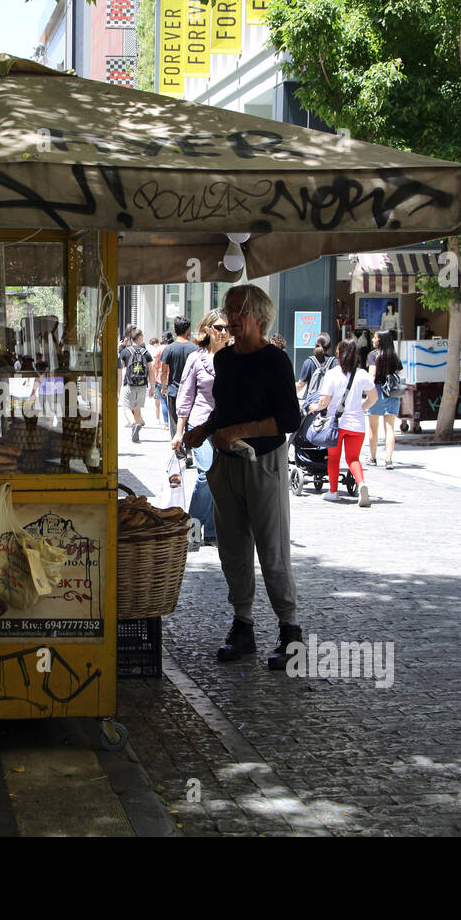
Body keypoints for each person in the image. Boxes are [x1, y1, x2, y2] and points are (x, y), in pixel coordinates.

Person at [183, 284, 303, 667]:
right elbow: (225, 409)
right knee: (233, 551)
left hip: (262, 462)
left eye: (240, 311)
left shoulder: (275, 361)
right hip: (225, 464)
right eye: (229, 310)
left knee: (273, 549)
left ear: (260, 317)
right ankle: (243, 627)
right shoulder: (226, 359)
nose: (231, 317)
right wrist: (203, 430)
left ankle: (290, 633)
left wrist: (239, 431)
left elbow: (288, 420)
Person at [170, 309, 230, 546]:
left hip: (226, 426)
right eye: (218, 327)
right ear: (207, 330)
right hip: (200, 422)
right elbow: (185, 396)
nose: (223, 332)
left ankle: (214, 531)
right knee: (207, 473)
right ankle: (192, 527)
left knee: (222, 478)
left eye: (226, 328)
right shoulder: (196, 358)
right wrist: (179, 431)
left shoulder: (234, 357)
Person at [310, 338, 378, 506]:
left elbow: (324, 401)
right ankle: (361, 483)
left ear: (339, 353)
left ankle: (333, 491)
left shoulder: (332, 374)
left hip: (336, 425)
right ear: (355, 355)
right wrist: (361, 408)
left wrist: (314, 407)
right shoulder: (362, 374)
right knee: (353, 458)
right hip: (357, 425)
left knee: (333, 458)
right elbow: (373, 398)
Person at [366, 330, 404, 468]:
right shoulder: (394, 356)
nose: (373, 340)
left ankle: (373, 457)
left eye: (375, 337)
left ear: (380, 340)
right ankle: (389, 460)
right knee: (390, 428)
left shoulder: (373, 355)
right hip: (392, 392)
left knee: (373, 428)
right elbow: (399, 372)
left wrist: (366, 392)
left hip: (376, 391)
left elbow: (372, 375)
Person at [159, 316, 196, 456]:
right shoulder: (195, 348)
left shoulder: (169, 349)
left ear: (174, 330)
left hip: (174, 390)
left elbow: (164, 371)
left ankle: (179, 452)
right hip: (191, 392)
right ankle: (190, 449)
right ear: (188, 330)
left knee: (175, 421)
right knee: (190, 421)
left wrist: (163, 387)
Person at [118, 329, 152, 441]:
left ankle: (133, 425)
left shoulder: (126, 351)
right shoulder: (145, 352)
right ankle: (136, 434)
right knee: (137, 408)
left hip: (129, 384)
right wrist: (152, 386)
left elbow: (119, 368)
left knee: (126, 407)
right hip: (142, 385)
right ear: (140, 338)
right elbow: (151, 371)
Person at [295, 332, 333, 409]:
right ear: (329, 347)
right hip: (329, 404)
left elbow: (301, 384)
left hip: (312, 405)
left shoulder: (309, 362)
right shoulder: (335, 362)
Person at [147, 331, 166, 427]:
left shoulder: (159, 349)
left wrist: (151, 378)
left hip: (159, 378)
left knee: (158, 401)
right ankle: (168, 421)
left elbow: (154, 364)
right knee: (167, 402)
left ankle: (158, 419)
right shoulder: (171, 347)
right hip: (170, 380)